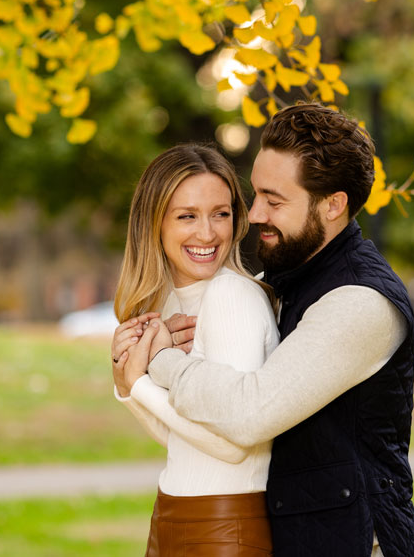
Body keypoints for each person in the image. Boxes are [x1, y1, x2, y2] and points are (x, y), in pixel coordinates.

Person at [127, 103, 414, 557]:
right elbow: (206, 427)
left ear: (333, 205)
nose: (253, 214)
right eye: (255, 195)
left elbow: (250, 415)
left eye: (274, 200)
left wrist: (159, 360)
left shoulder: (361, 302)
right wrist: (134, 377)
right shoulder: (283, 281)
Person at [110, 143, 280, 557]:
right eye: (187, 216)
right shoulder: (172, 305)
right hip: (173, 514)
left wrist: (141, 384)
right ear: (154, 223)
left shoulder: (231, 296)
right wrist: (128, 388)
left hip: (224, 527)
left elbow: (233, 445)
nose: (207, 233)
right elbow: (184, 440)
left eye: (220, 214)